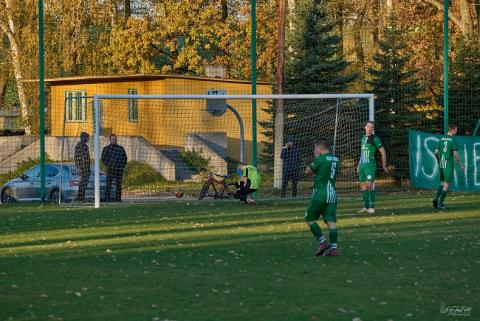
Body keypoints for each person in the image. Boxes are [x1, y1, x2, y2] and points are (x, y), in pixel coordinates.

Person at [305, 138, 340, 257]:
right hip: (332, 195)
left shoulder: (320, 159)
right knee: (331, 221)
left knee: (309, 218)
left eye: (315, 148)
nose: (315, 150)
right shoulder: (335, 159)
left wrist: (316, 158)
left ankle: (323, 242)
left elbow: (308, 171)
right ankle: (334, 249)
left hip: (320, 194)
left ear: (320, 148)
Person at [357, 121, 389, 214]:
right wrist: (359, 165)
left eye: (371, 127)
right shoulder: (363, 138)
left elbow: (383, 152)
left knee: (369, 185)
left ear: (373, 129)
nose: (369, 128)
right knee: (363, 186)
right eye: (368, 126)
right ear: (365, 127)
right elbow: (362, 153)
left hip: (370, 165)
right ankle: (366, 206)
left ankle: (372, 206)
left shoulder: (375, 139)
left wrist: (383, 165)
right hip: (362, 165)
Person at [433, 124, 464, 209]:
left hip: (441, 163)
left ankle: (435, 199)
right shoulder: (452, 140)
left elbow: (435, 152)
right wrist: (461, 164)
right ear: (453, 130)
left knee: (442, 183)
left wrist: (438, 159)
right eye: (456, 129)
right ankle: (440, 203)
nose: (456, 131)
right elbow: (455, 154)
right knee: (446, 185)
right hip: (448, 163)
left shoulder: (441, 138)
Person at [101, 134, 128, 202]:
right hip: (111, 169)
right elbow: (103, 159)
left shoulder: (121, 148)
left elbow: (125, 158)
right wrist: (109, 165)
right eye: (112, 139)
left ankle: (118, 198)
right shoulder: (106, 148)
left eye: (115, 139)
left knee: (118, 184)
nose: (114, 140)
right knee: (109, 184)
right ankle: (107, 198)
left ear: (116, 139)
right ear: (110, 140)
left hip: (119, 169)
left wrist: (122, 166)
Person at [74, 132, 90, 202]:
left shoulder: (85, 146)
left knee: (84, 184)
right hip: (82, 168)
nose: (88, 139)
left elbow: (86, 158)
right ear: (84, 138)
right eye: (87, 137)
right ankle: (79, 198)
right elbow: (77, 157)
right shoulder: (79, 145)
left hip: (86, 168)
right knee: (82, 184)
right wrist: (78, 167)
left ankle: (81, 198)